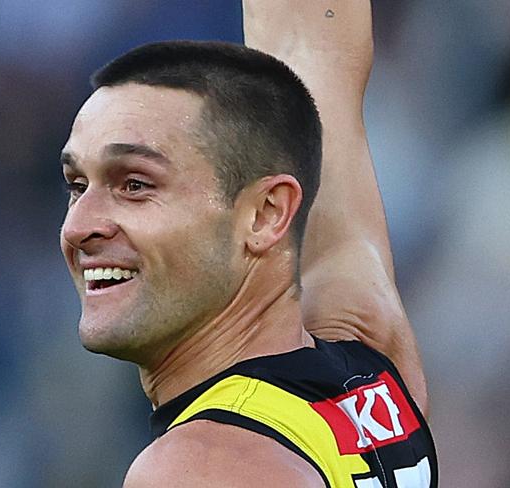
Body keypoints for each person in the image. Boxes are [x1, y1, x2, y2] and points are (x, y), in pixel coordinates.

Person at [59, 0, 438, 486]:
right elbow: (309, 45)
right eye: (76, 185)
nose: (78, 227)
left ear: (266, 214)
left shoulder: (198, 468)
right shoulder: (376, 368)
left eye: (135, 184)